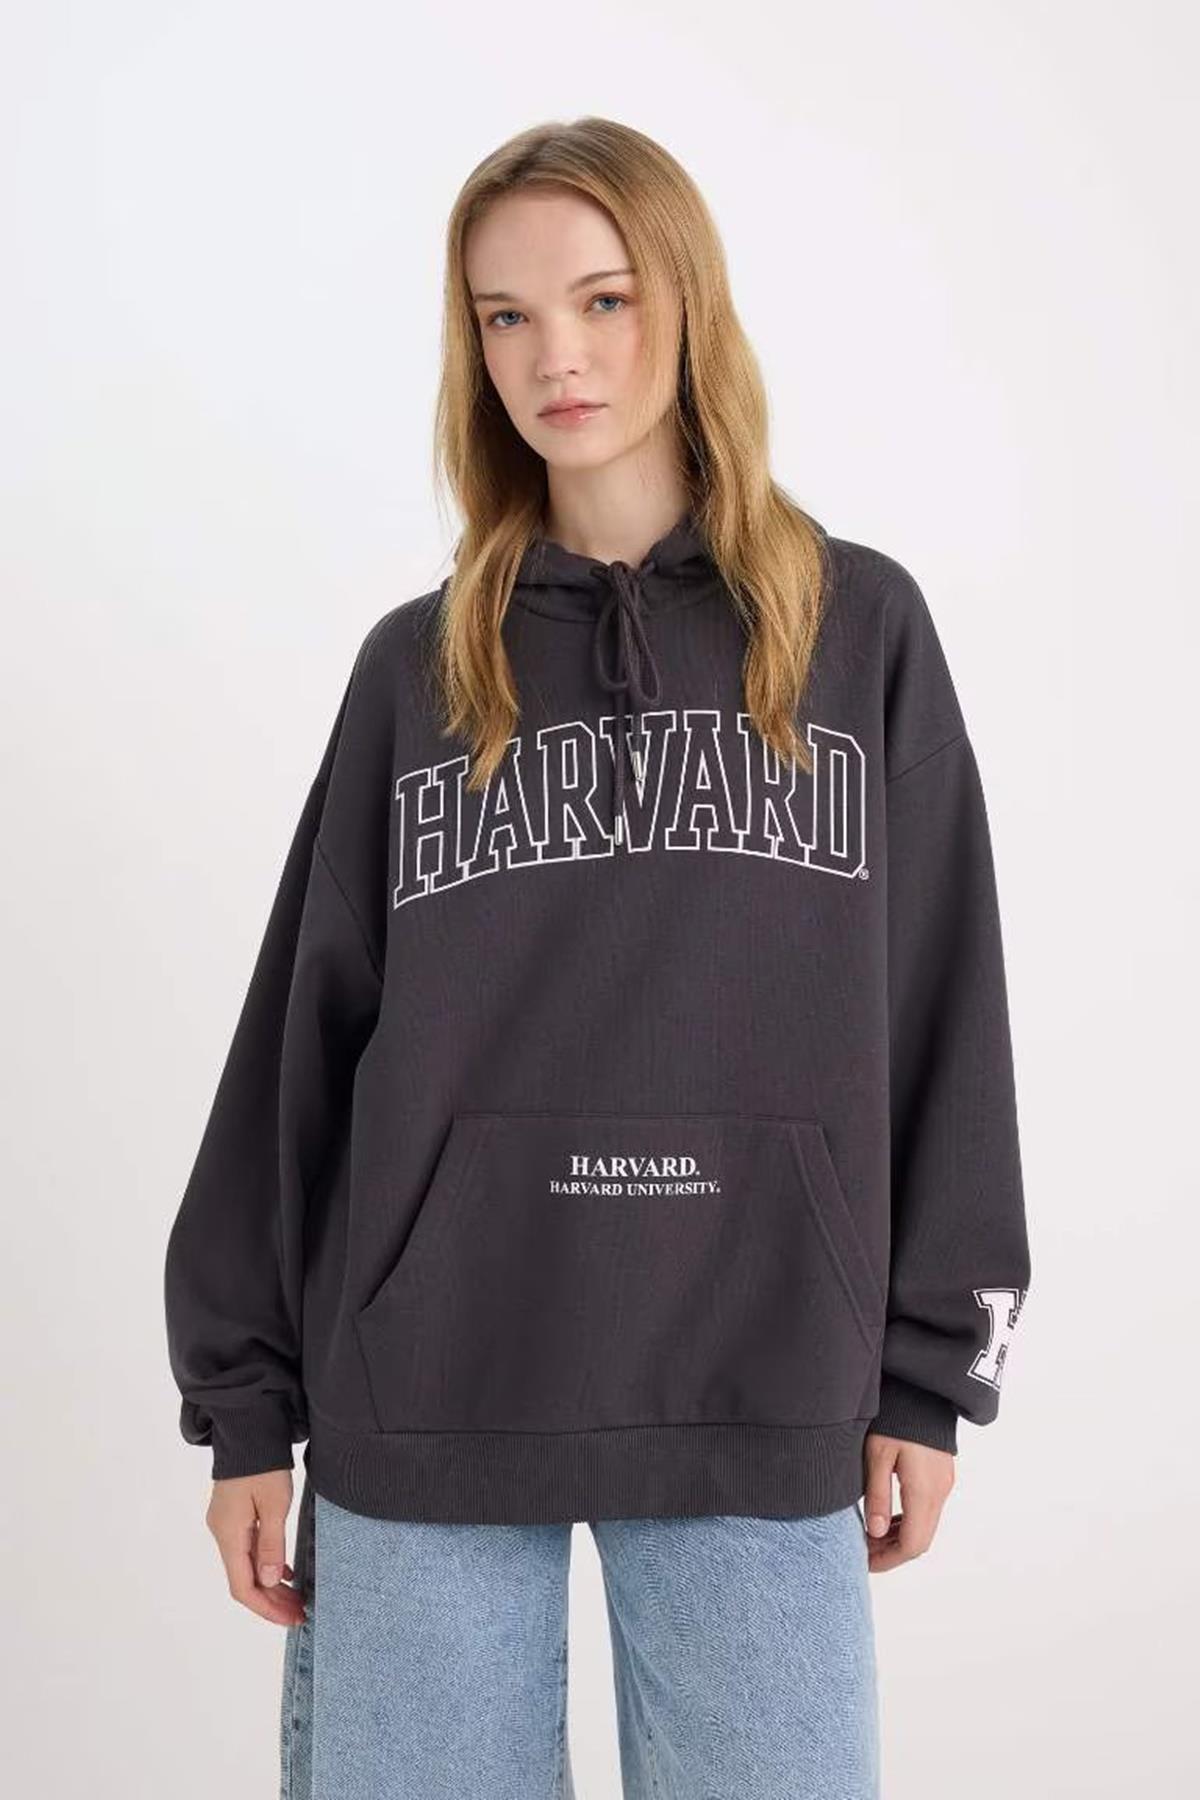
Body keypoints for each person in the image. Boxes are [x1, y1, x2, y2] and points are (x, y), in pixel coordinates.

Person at [164, 116, 1032, 1799]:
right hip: (431, 1386)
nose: (555, 356)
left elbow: (947, 1014)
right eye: (505, 316)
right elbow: (297, 1045)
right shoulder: (418, 670)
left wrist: (932, 1377)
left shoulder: (858, 632)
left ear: (688, 301)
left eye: (604, 299)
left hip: (758, 1376)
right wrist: (246, 1404)